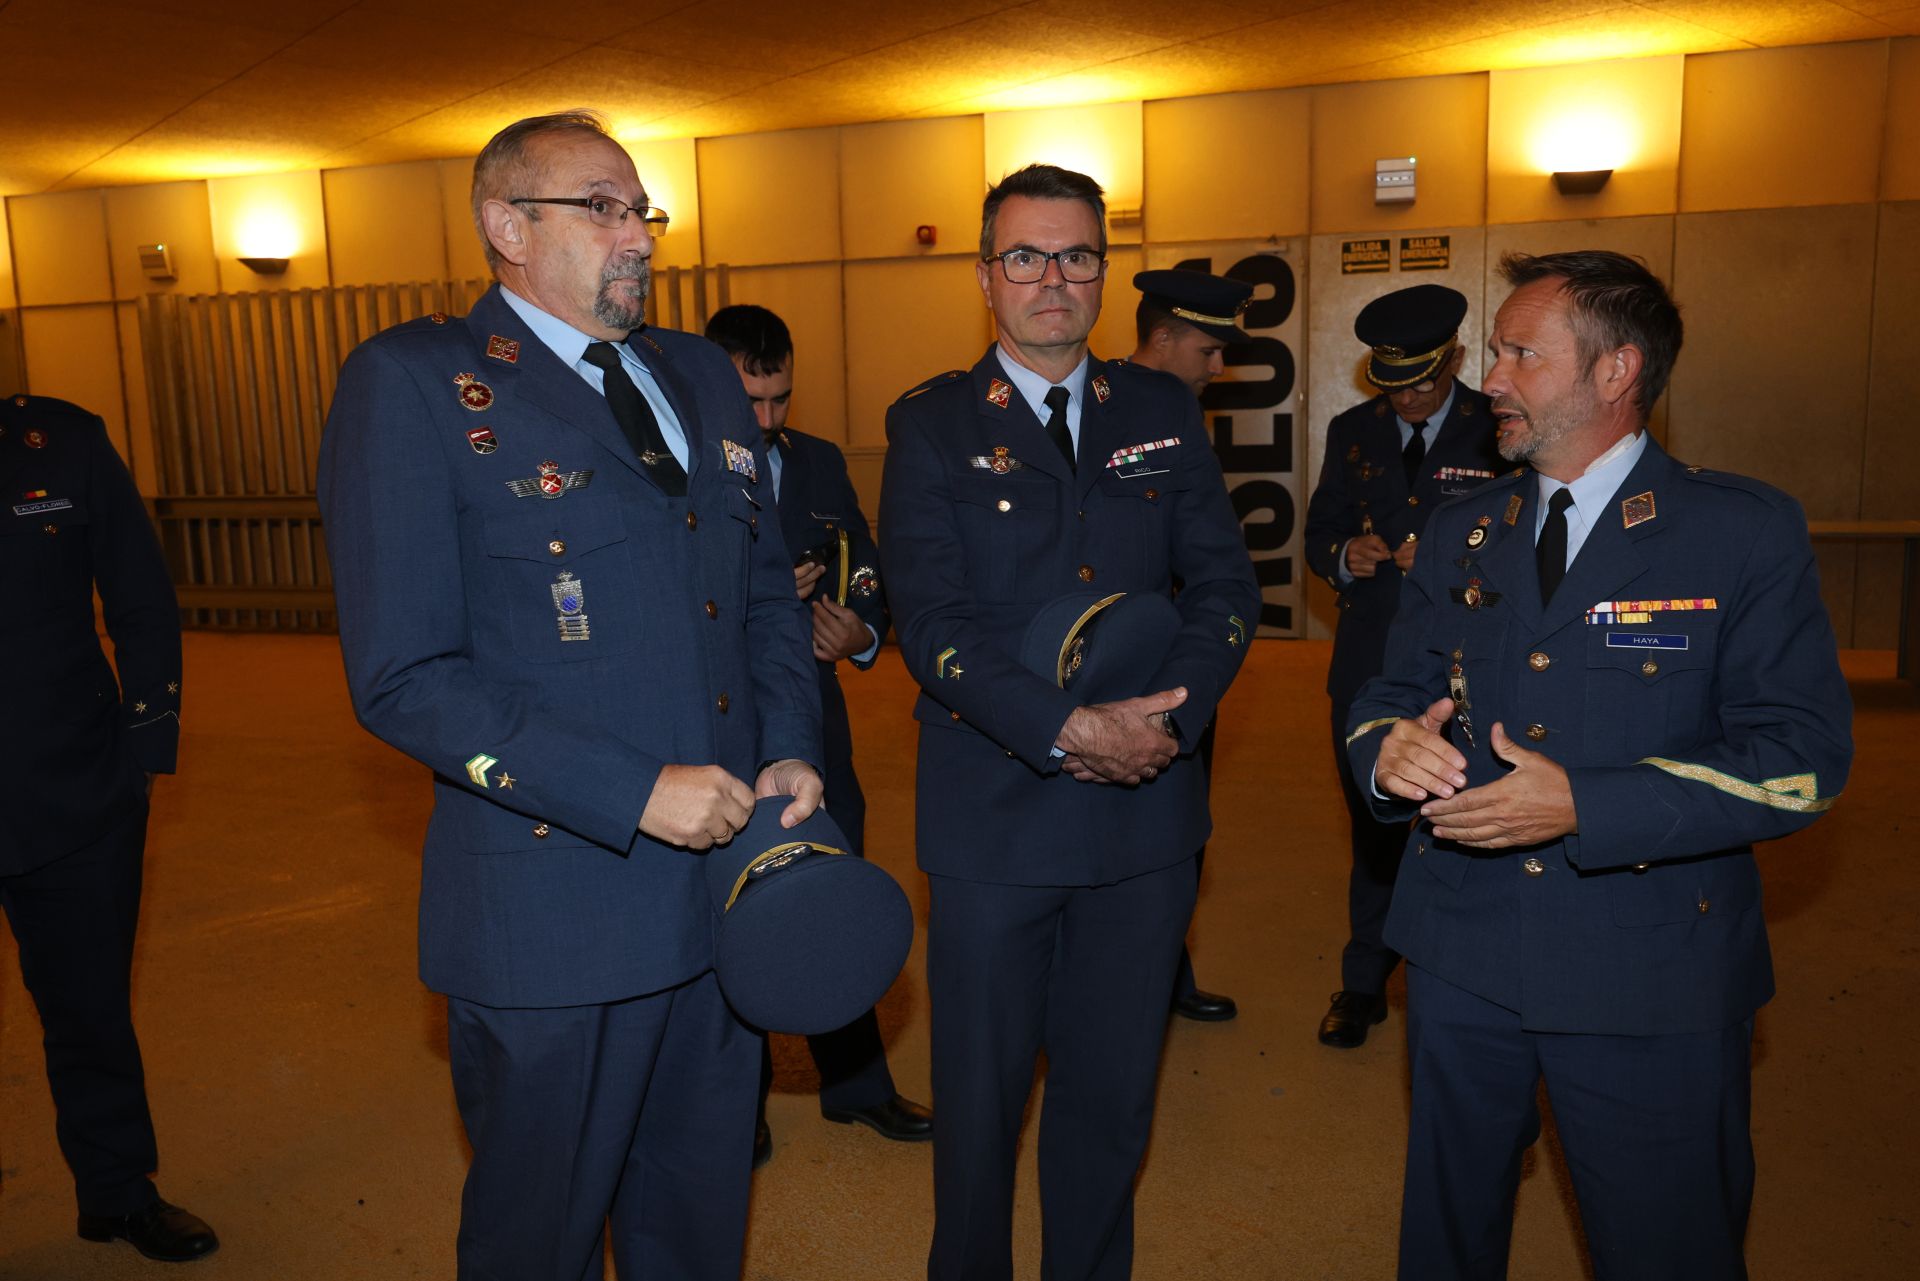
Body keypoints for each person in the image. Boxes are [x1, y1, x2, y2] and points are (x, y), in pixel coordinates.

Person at [317, 111, 823, 1281]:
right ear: (508, 226)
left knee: (696, 1230)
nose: (636, 235)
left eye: (642, 209)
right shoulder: (416, 381)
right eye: (600, 207)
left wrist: (794, 745)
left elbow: (760, 603)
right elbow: (403, 678)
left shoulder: (698, 371)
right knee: (535, 1241)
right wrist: (633, 789)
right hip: (553, 916)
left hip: (725, 891)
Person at [1347, 250, 1852, 1280]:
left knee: (1666, 1244)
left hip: (1648, 968)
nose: (1492, 378)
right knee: (1447, 1242)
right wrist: (1386, 753)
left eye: (1522, 354)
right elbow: (1391, 693)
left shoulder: (1737, 532)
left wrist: (1587, 804)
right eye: (1497, 352)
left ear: (1617, 371)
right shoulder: (1463, 529)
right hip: (1460, 955)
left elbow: (1800, 761)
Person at [880, 163, 1259, 1281]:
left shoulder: (1160, 410)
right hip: (997, 817)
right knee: (982, 1106)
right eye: (1027, 257)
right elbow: (933, 626)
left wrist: (1168, 725)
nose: (1055, 279)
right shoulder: (934, 426)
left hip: (1148, 820)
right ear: (986, 277)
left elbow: (1227, 590)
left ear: (1105, 270)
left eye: (1078, 256)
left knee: (1109, 1102)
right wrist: (1065, 728)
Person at [704, 304, 932, 1162]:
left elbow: (864, 563)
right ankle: (738, 1099)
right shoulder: (675, 465)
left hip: (814, 720)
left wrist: (861, 632)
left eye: (780, 399)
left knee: (835, 890)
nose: (767, 419)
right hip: (715, 726)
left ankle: (856, 1086)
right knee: (731, 904)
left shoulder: (821, 461)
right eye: (749, 400)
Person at [0, 396, 218, 1265]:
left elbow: (140, 598)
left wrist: (141, 755)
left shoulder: (59, 441)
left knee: (90, 1013)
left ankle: (117, 1193)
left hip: (75, 790)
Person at [1303, 283, 1504, 1048]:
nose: (1409, 399)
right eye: (1392, 385)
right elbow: (1320, 528)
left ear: (1453, 358)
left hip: (1469, 662)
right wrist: (1343, 559)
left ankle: (1462, 980)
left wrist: (1453, 562)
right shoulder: (1352, 429)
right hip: (1368, 658)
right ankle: (1364, 981)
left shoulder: (1500, 425)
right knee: (1374, 824)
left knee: (1470, 818)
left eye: (1422, 380)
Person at [1126, 268, 1256, 1023]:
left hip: (1181, 663)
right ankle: (1143, 974)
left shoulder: (1177, 410)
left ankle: (1163, 969)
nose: (1218, 367)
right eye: (1209, 349)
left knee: (1177, 828)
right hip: (1128, 661)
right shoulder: (1120, 405)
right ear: (1164, 338)